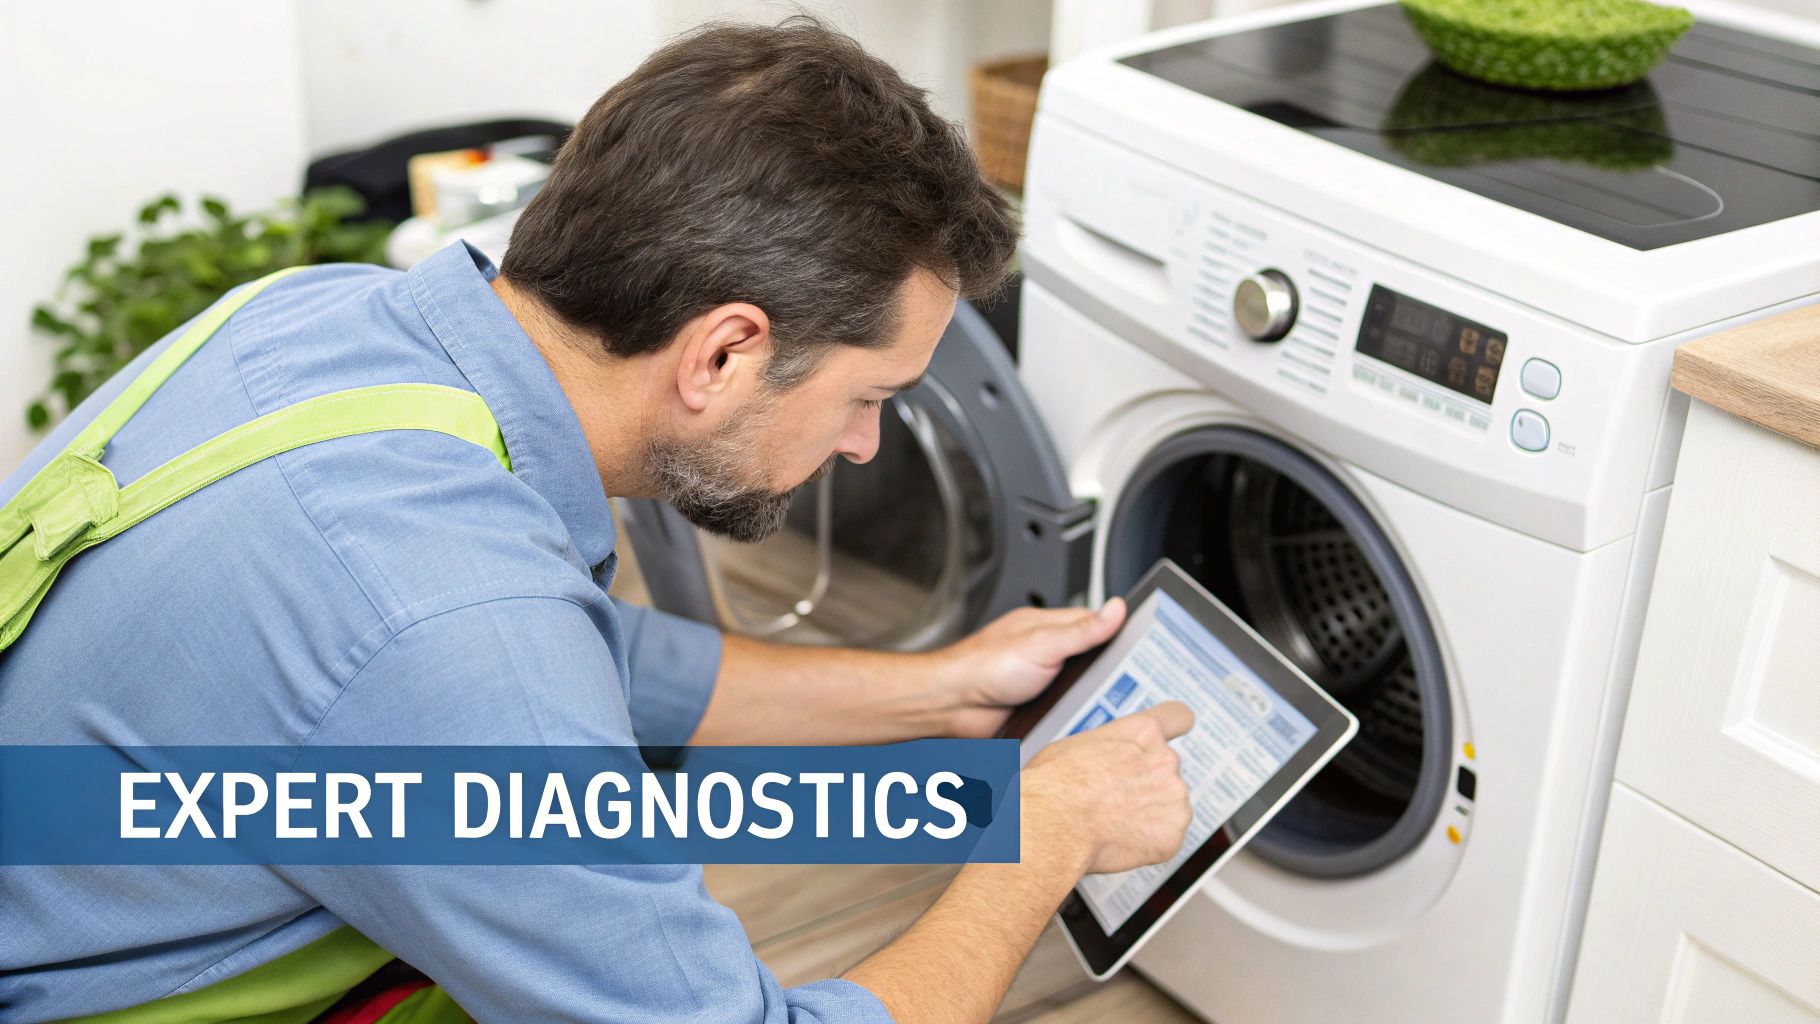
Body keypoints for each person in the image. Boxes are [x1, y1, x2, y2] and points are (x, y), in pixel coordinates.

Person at [0, 17, 1193, 1023]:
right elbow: (475, 675)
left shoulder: (320, 318)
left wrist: (935, 690)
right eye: (866, 396)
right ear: (724, 352)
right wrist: (1043, 835)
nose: (863, 444)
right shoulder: (453, 634)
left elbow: (553, 660)